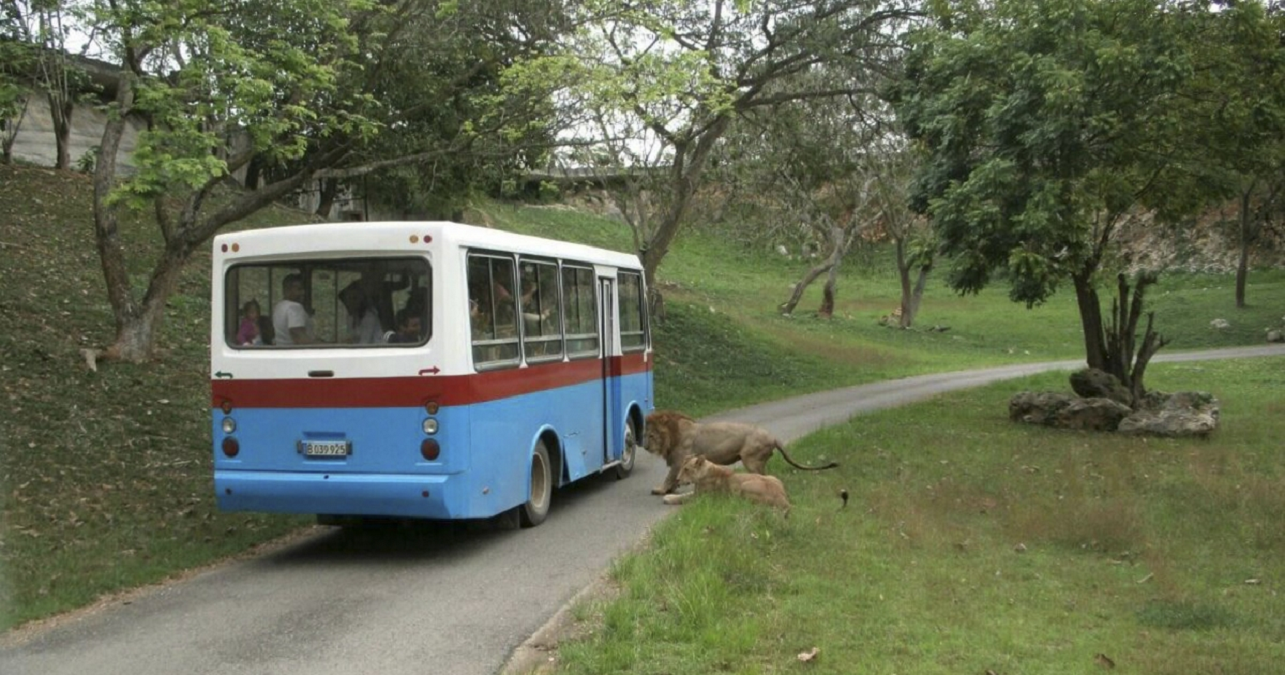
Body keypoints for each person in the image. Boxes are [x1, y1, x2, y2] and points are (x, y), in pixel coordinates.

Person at [272, 273, 317, 346]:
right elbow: (298, 336)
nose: (303, 293)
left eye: (303, 289)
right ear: (287, 290)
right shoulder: (294, 307)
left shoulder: (279, 306)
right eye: (299, 289)